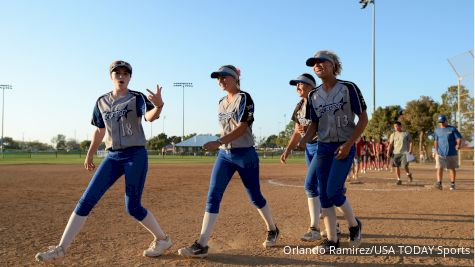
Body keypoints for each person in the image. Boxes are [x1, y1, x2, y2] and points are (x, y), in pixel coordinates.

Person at [35, 61, 171, 262]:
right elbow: (99, 130)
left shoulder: (137, 98)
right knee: (86, 200)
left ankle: (162, 239)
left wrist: (159, 105)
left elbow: (150, 117)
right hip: (112, 157)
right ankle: (61, 249)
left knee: (132, 207)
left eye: (125, 73)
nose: (121, 76)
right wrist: (90, 153)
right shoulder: (101, 101)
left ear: (130, 77)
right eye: (117, 73)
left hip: (135, 155)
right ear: (111, 77)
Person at [178, 65, 279, 258]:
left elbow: (242, 128)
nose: (221, 81)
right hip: (225, 155)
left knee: (255, 197)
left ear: (235, 78)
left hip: (245, 154)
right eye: (218, 78)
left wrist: (218, 141)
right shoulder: (221, 102)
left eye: (224, 77)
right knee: (213, 195)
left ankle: (273, 228)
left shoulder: (245, 98)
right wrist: (221, 144)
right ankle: (201, 243)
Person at [300, 50, 367, 252]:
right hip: (323, 147)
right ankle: (332, 240)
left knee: (333, 191)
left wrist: (348, 144)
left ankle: (354, 224)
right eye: (314, 63)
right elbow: (314, 124)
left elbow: (363, 119)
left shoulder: (348, 88)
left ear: (334, 65)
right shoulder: (313, 95)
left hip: (343, 146)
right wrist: (304, 140)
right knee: (324, 194)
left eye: (322, 62)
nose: (318, 65)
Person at [280, 73, 322, 241]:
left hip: (321, 146)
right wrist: (288, 150)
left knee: (310, 185)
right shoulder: (299, 106)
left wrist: (310, 131)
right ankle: (335, 224)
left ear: (312, 86)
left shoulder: (318, 102)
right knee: (320, 187)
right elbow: (297, 131)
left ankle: (315, 228)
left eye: (301, 84)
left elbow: (323, 125)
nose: (298, 86)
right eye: (296, 84)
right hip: (309, 149)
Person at [433, 114, 462, 190]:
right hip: (440, 153)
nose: (441, 123)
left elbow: (458, 138)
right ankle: (439, 183)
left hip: (451, 153)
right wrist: (435, 151)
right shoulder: (437, 130)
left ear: (446, 121)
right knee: (439, 167)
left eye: (442, 122)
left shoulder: (452, 129)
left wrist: (458, 144)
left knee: (451, 168)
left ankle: (452, 184)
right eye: (440, 122)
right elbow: (436, 141)